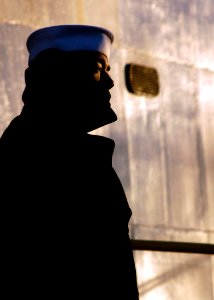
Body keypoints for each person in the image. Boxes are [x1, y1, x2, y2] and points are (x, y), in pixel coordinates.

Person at [0, 25, 139, 299]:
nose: (110, 82)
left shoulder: (24, 145)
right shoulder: (53, 156)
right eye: (99, 67)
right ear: (56, 75)